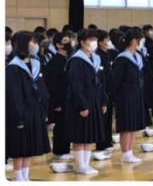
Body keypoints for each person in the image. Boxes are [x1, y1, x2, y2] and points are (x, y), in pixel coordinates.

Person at [6, 31, 50, 181]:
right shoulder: (13, 68)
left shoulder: (35, 63)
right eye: (32, 42)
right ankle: (18, 177)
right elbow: (13, 96)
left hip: (35, 112)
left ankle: (25, 176)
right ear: (22, 43)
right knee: (20, 147)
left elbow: (42, 88)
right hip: (21, 113)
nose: (35, 45)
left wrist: (43, 109)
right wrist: (18, 117)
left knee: (30, 147)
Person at [65, 29, 108, 176]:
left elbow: (100, 83)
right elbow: (75, 86)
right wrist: (82, 105)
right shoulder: (76, 60)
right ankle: (80, 165)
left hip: (95, 102)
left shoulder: (96, 59)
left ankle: (86, 164)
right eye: (91, 40)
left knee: (90, 136)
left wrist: (103, 101)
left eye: (95, 40)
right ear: (82, 42)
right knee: (80, 136)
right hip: (81, 103)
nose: (94, 43)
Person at [111, 28, 145, 164]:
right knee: (126, 126)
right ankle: (125, 153)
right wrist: (116, 98)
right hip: (125, 96)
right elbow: (116, 81)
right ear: (134, 41)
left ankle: (130, 152)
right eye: (140, 40)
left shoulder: (137, 56)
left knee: (133, 125)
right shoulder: (122, 58)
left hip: (136, 95)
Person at [44, 32, 73, 162]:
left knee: (67, 125)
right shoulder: (55, 62)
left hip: (68, 99)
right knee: (60, 126)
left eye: (69, 41)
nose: (69, 44)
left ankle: (65, 149)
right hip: (59, 100)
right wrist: (56, 103)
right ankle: (59, 150)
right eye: (65, 41)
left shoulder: (68, 60)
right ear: (58, 44)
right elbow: (52, 85)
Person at [94, 30, 114, 159]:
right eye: (106, 40)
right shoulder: (98, 56)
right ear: (100, 42)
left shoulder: (109, 54)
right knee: (102, 119)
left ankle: (108, 141)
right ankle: (101, 145)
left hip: (110, 91)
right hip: (102, 91)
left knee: (109, 118)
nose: (108, 42)